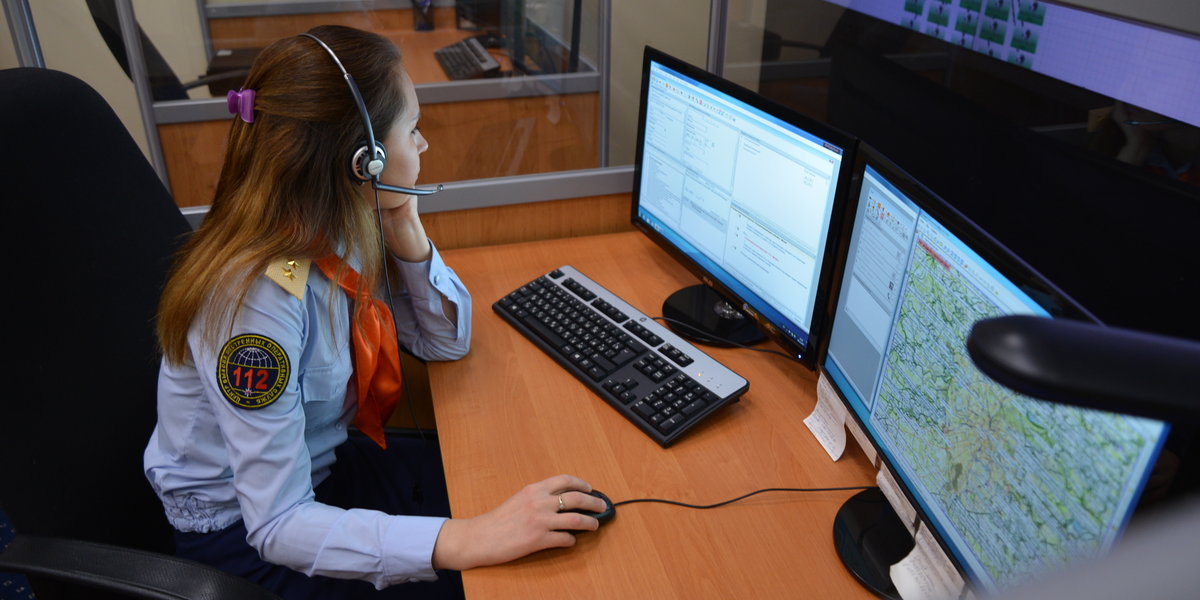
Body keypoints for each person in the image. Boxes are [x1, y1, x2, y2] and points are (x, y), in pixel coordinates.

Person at [143, 24, 606, 599]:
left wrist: (404, 219)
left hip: (326, 465)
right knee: (514, 579)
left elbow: (444, 342)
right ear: (365, 160)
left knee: (513, 481)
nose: (424, 145)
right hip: (247, 542)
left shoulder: (336, 222)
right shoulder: (254, 304)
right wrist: (468, 538)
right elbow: (278, 524)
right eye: (413, 130)